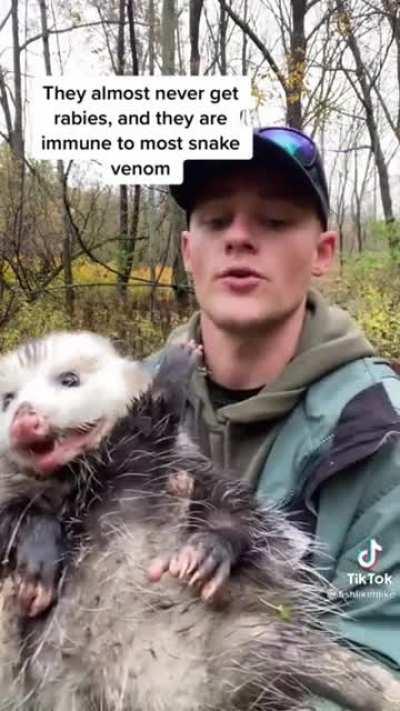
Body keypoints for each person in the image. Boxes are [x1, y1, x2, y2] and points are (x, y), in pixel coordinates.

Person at [155, 127, 400, 709]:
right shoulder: (114, 404)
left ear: (323, 253)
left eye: (274, 221)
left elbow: (373, 667)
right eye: (216, 221)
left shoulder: (379, 431)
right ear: (190, 252)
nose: (239, 238)